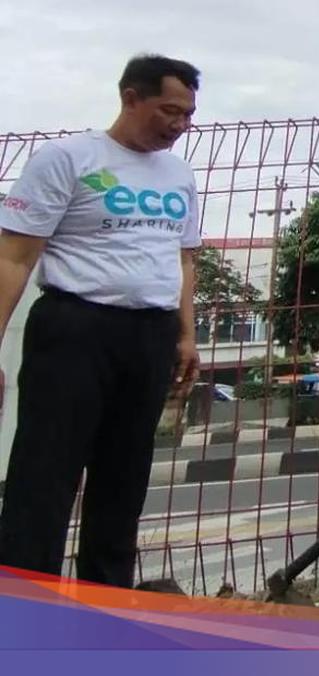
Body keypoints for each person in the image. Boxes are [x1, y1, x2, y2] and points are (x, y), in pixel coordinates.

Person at [0, 54, 202, 587]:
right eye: (169, 110)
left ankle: (104, 603)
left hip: (150, 335)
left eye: (188, 115)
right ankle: (24, 607)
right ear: (130, 98)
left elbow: (183, 259)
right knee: (44, 474)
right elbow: (14, 258)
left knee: (123, 479)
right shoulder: (67, 159)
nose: (179, 124)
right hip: (74, 330)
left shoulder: (178, 174)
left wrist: (186, 335)